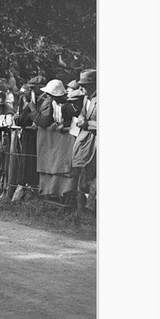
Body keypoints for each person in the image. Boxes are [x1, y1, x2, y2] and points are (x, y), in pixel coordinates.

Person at [70, 69, 97, 226]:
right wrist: (81, 117)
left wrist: (87, 123)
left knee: (94, 179)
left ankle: (91, 213)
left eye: (85, 85)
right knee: (82, 176)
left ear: (94, 85)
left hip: (96, 142)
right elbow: (82, 113)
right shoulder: (86, 98)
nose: (82, 88)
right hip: (85, 142)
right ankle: (80, 214)